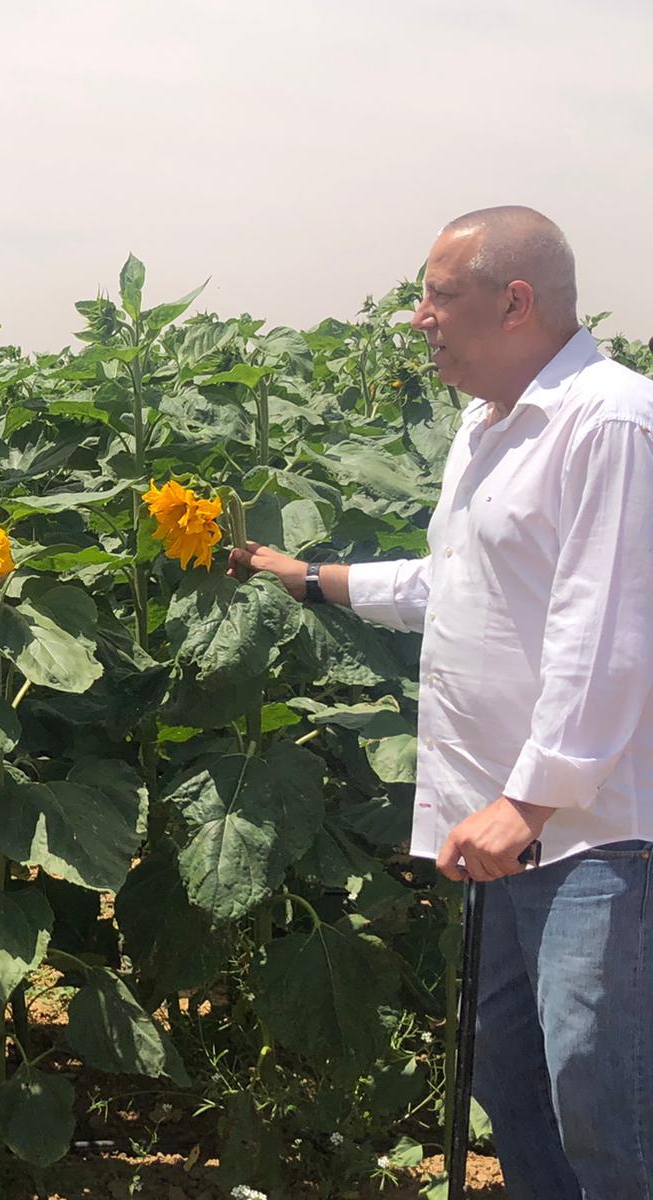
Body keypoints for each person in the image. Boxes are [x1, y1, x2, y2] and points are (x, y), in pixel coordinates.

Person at [232, 206, 653, 1196]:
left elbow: (611, 631)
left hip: (590, 834)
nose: (417, 317)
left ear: (514, 302)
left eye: (437, 295)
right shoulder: (485, 427)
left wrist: (529, 804)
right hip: (498, 825)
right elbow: (454, 585)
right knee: (518, 1084)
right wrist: (305, 576)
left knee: (602, 1096)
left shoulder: (611, 422)